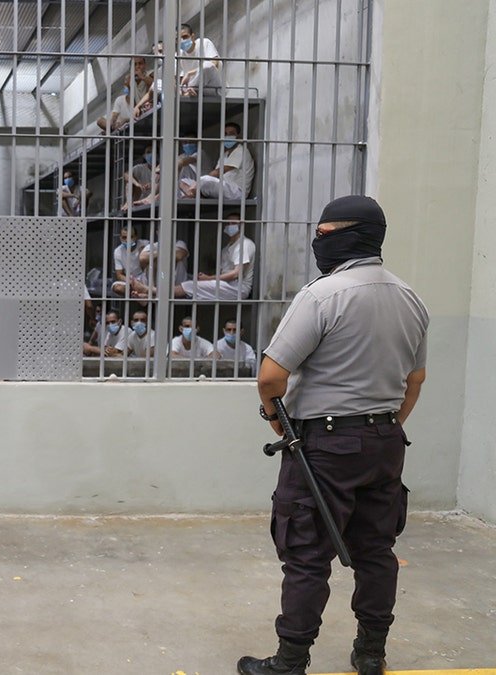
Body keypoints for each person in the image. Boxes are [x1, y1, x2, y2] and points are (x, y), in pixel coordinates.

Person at [238, 196, 429, 675]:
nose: (317, 243)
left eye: (324, 234)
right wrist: (387, 426)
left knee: (307, 555)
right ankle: (370, 653)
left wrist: (276, 420)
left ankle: (290, 661)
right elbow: (416, 380)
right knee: (376, 551)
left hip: (323, 447)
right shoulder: (411, 298)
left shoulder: (323, 295)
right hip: (385, 442)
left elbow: (270, 377)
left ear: (351, 235)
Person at [175, 214, 256, 300]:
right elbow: (222, 273)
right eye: (227, 223)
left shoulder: (244, 244)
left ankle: (162, 292)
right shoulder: (226, 248)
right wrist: (207, 279)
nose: (230, 226)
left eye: (233, 223)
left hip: (238, 288)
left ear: (241, 225)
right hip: (226, 284)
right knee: (190, 281)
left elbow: (236, 274)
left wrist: (209, 278)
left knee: (190, 285)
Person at [183, 122, 255, 202]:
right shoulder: (225, 154)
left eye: (231, 134)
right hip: (225, 188)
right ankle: (195, 193)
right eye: (225, 134)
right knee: (184, 181)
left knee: (205, 179)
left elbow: (219, 171)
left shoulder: (241, 151)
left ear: (238, 136)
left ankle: (194, 193)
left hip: (237, 192)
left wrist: (200, 182)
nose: (227, 136)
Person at [176, 23, 223, 96]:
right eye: (178, 39)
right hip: (195, 91)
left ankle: (190, 90)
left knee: (207, 65)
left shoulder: (204, 43)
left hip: (214, 87)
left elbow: (214, 64)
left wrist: (190, 73)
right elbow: (179, 79)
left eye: (185, 37)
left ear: (192, 36)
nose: (182, 41)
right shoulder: (179, 55)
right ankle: (189, 91)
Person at [110, 224, 153, 298]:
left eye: (131, 237)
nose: (127, 240)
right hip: (130, 280)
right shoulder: (118, 251)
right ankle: (139, 293)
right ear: (120, 238)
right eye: (124, 237)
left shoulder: (146, 244)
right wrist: (131, 281)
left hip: (146, 277)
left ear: (136, 237)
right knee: (117, 288)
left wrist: (143, 253)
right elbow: (119, 275)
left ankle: (141, 291)